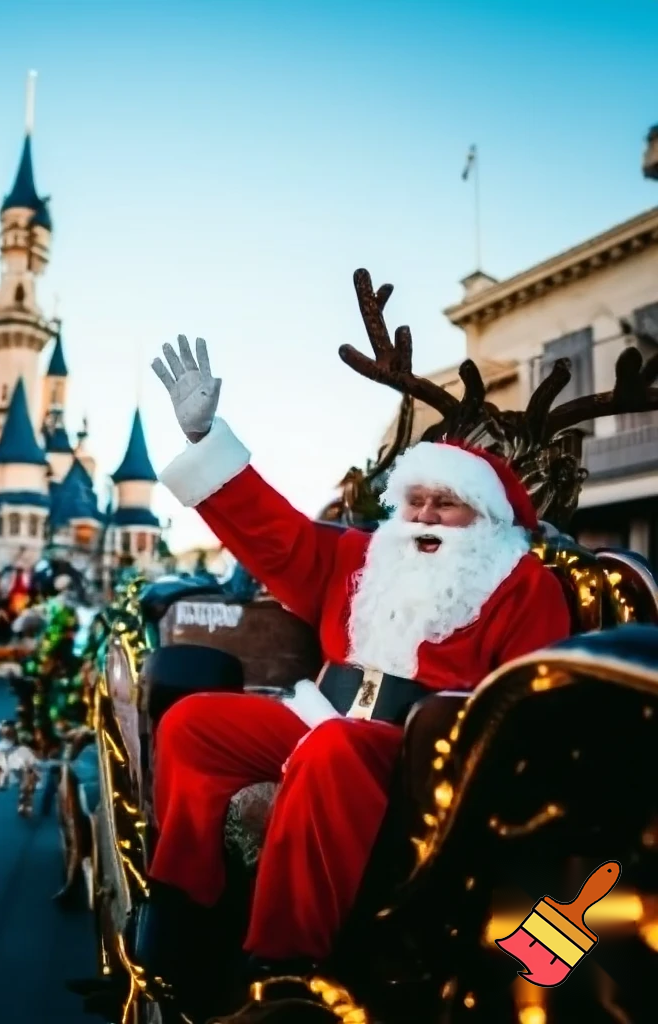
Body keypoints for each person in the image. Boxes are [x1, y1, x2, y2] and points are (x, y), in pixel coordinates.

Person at [145, 335, 573, 972]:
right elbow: (277, 537)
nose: (425, 516)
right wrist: (205, 437)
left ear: (484, 517)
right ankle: (186, 904)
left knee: (332, 749)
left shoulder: (522, 584)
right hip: (322, 715)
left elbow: (533, 700)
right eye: (416, 501)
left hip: (421, 751)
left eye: (445, 504)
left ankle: (287, 958)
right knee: (192, 724)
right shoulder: (363, 555)